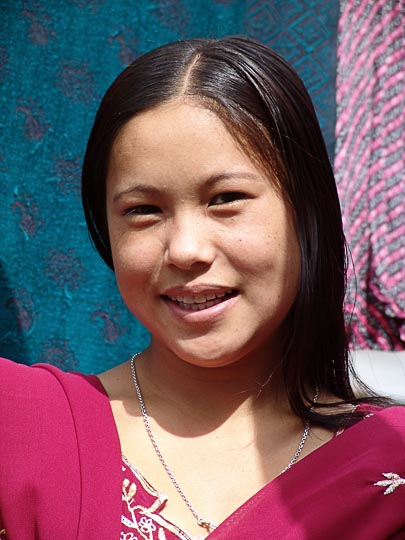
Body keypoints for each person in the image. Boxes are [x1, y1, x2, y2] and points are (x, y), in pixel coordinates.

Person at [1, 36, 404, 540]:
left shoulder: (391, 467)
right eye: (143, 210)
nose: (186, 250)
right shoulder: (19, 425)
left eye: (226, 199)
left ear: (308, 213)